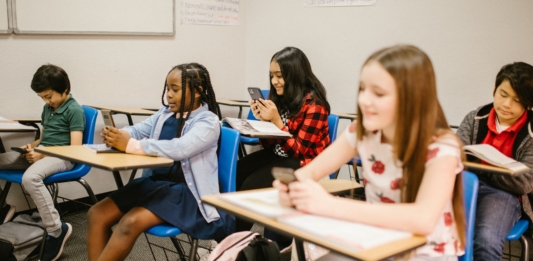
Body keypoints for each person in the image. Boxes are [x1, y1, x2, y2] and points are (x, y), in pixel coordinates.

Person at [274, 45, 466, 260]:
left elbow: (423, 219)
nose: (364, 100)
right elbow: (311, 171)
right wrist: (292, 185)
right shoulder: (362, 131)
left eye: (379, 93)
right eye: (362, 89)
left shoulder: (442, 147)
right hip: (377, 241)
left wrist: (330, 205)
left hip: (425, 253)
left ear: (412, 98)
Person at [86, 63, 233, 261]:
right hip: (157, 185)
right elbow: (137, 131)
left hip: (188, 194)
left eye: (175, 89)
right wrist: (118, 135)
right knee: (96, 213)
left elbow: (180, 148)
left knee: (130, 222)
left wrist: (131, 145)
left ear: (198, 91)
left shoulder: (208, 122)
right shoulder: (164, 115)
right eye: (167, 89)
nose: (168, 95)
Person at [235, 47, 331, 247]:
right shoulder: (281, 98)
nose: (274, 81)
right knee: (237, 172)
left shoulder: (315, 106)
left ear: (294, 75)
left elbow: (299, 151)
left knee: (249, 186)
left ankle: (235, 245)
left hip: (306, 163)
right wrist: (264, 122)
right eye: (272, 76)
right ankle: (232, 240)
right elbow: (271, 145)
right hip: (282, 156)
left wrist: (277, 122)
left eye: (279, 76)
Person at [0, 64, 85, 261]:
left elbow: (75, 149)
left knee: (30, 178)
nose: (47, 101)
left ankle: (57, 229)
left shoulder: (74, 110)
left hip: (64, 158)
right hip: (43, 154)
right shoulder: (48, 109)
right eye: (42, 98)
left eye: (49, 96)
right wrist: (31, 146)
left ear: (64, 89)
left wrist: (42, 155)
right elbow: (44, 139)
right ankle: (3, 208)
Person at [456, 62, 533, 261]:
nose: (507, 104)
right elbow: (456, 157)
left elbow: (524, 182)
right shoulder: (475, 118)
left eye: (517, 100)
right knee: (436, 229)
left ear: (528, 103)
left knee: (486, 240)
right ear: (494, 90)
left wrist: (481, 171)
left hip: (505, 195)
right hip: (464, 186)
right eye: (503, 94)